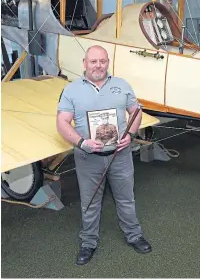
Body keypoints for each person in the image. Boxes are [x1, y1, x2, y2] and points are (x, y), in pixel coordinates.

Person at [57, 45, 152, 266]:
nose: (98, 65)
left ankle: (134, 235)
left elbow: (136, 112)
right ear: (84, 63)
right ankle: (88, 242)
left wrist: (130, 133)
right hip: (87, 157)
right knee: (89, 202)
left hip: (120, 155)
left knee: (126, 198)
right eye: (93, 61)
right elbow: (62, 122)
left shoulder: (122, 85)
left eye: (102, 61)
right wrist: (82, 142)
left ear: (108, 62)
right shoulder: (71, 90)